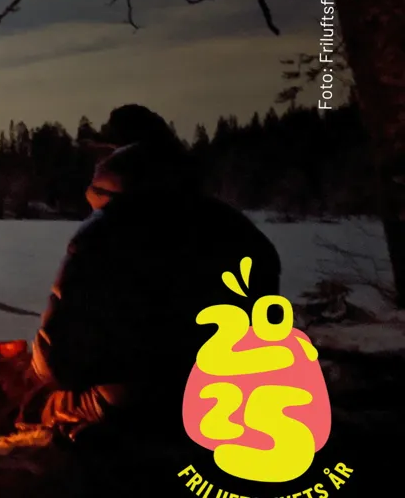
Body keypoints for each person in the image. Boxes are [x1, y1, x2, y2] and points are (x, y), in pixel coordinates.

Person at [25, 105, 283, 451]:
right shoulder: (241, 231)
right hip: (238, 394)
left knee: (35, 404)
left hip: (143, 404)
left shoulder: (102, 237)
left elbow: (60, 364)